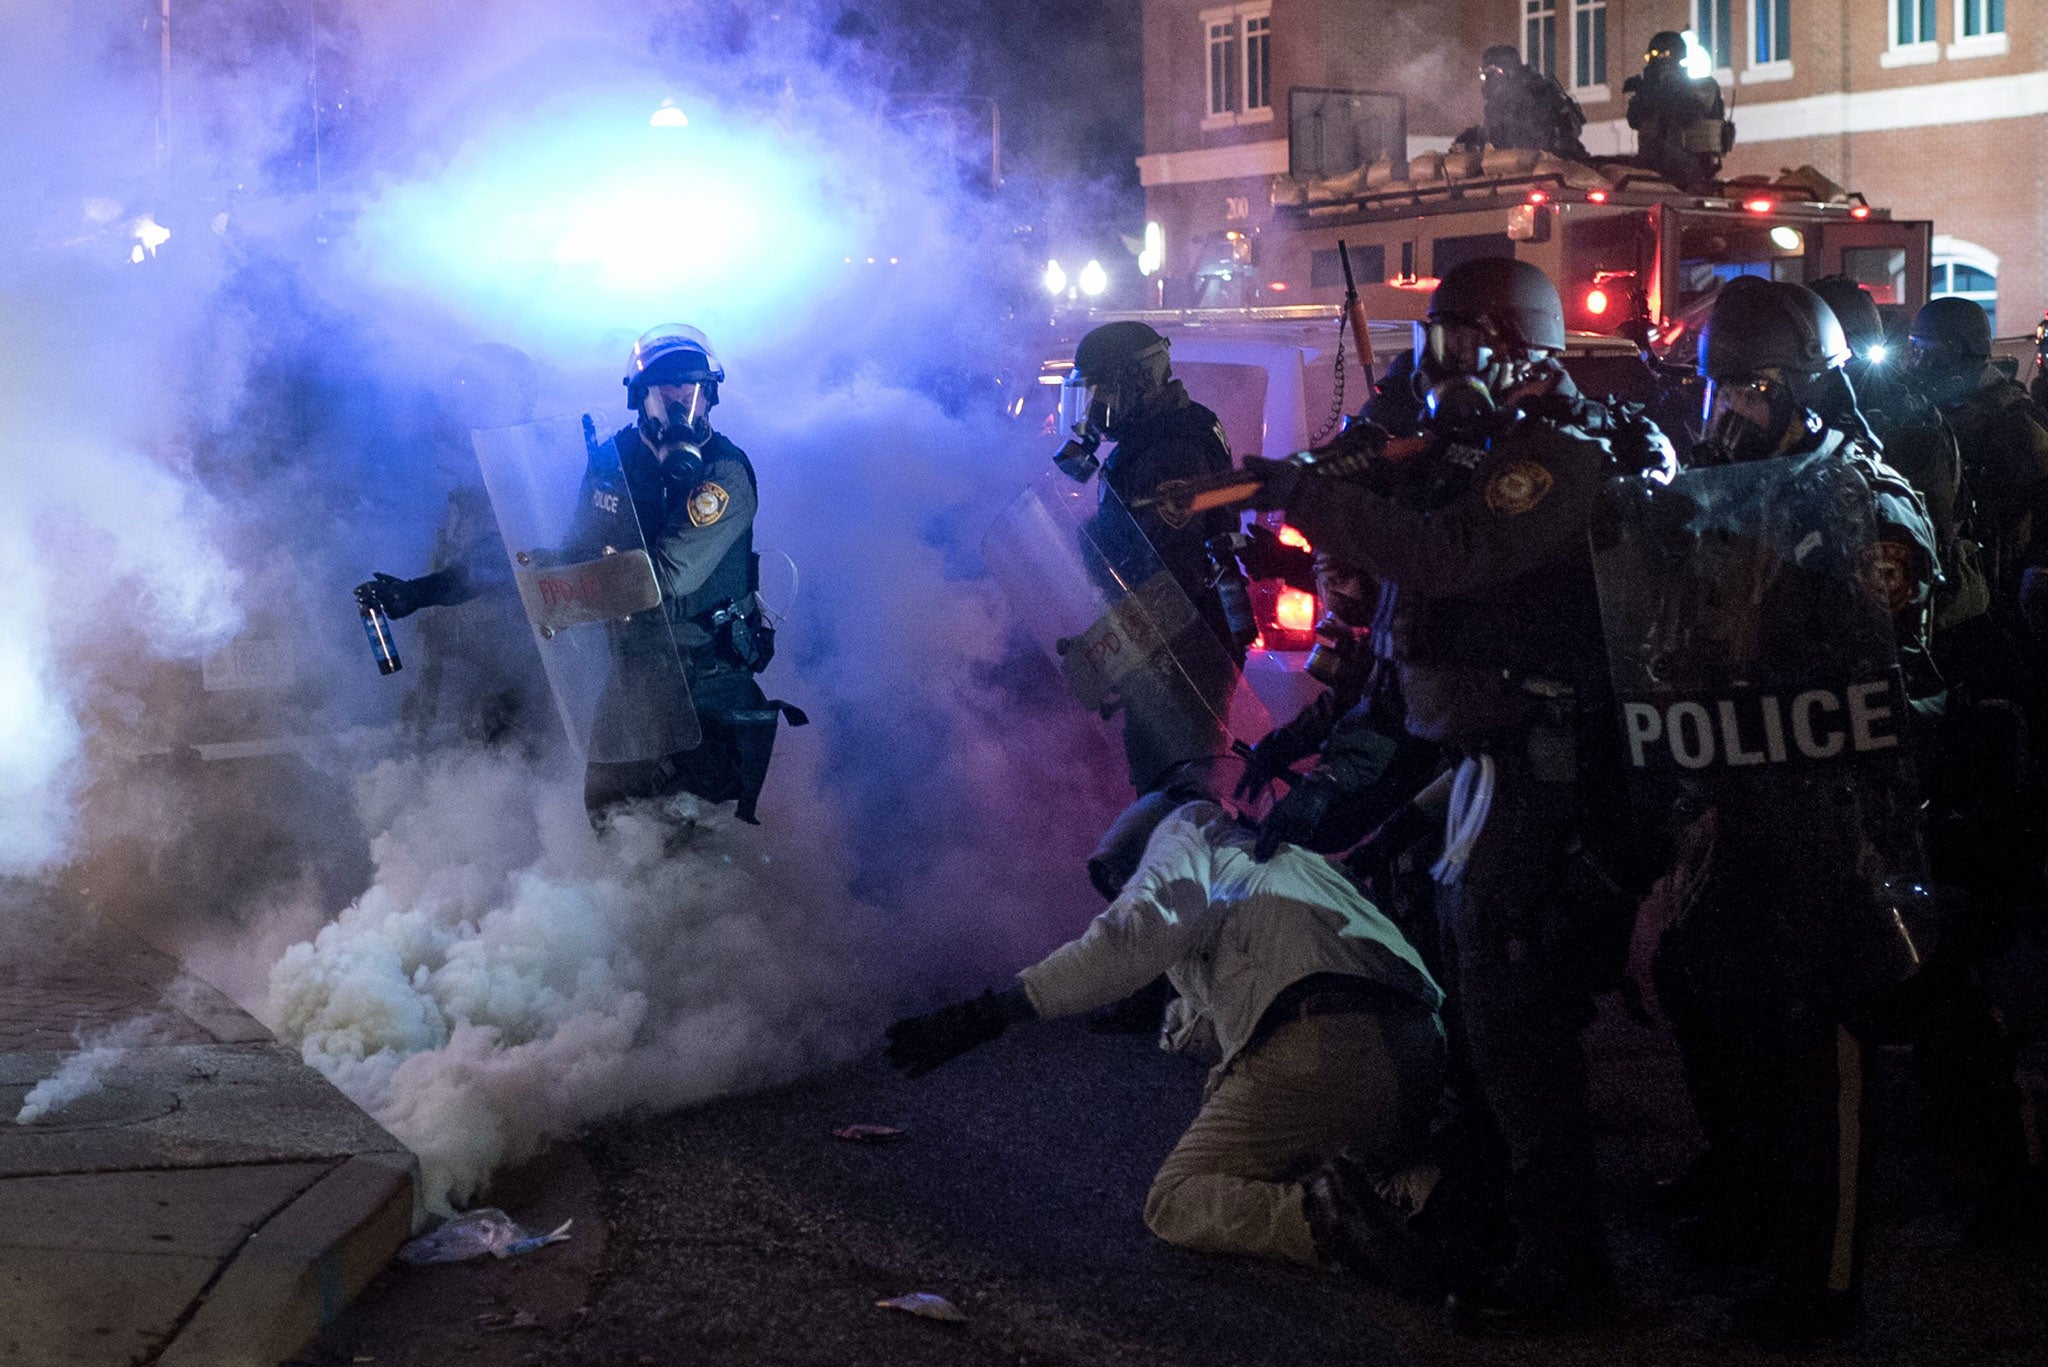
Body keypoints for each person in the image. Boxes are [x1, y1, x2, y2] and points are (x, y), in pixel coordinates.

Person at [1236, 259, 1664, 1326]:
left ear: (1508, 346)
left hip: (1542, 765)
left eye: (1452, 346)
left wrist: (1310, 495)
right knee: (1482, 1011)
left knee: (1516, 1019)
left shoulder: (1550, 461)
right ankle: (1487, 1217)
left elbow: (1444, 555)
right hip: (1484, 760)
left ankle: (1566, 1272)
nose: (1437, 369)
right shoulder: (1483, 455)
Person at [1633, 280, 1939, 1342]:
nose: (1718, 407)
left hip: (1831, 816)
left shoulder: (1860, 499)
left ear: (1789, 390)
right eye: (1714, 384)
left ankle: (1824, 1279)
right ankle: (1752, 1204)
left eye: (1741, 388)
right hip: (1739, 797)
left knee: (1819, 1043)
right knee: (1710, 993)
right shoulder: (1731, 487)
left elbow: (1884, 676)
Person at [884, 794, 1444, 1270]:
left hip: (1325, 1040)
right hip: (1418, 1049)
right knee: (1326, 1148)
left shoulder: (1184, 831)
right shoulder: (1285, 866)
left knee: (1176, 1199)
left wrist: (990, 1012)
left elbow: (1128, 938)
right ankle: (1427, 1194)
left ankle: (1337, 1226)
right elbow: (1220, 1010)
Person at [571, 324, 803, 824]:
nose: (680, 404)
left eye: (692, 391)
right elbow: (570, 552)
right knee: (608, 816)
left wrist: (561, 595)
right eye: (665, 391)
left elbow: (661, 579)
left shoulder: (723, 474)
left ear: (710, 398)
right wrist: (434, 590)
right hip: (634, 674)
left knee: (688, 835)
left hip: (705, 682)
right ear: (640, 398)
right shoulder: (614, 461)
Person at [1061, 320, 1244, 793]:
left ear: (1134, 383)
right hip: (1179, 644)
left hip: (1185, 651)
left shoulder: (1171, 452)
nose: (1095, 409)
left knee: (1175, 794)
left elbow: (1166, 581)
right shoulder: (1161, 436)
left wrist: (1105, 648)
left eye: (1102, 392)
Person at [1622, 30, 1730, 191]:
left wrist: (1669, 87)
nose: (1654, 63)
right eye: (1650, 57)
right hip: (1654, 169)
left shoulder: (1701, 88)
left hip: (1691, 171)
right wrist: (1644, 93)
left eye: (1661, 55)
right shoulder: (1650, 89)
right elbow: (1634, 120)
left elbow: (1688, 116)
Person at [1452, 45, 1589, 161]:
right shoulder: (1499, 101)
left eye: (1493, 72)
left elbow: (1521, 136)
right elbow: (1496, 135)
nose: (1489, 80)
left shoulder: (1537, 92)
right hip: (1523, 166)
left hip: (1556, 161)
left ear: (1509, 70)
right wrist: (1472, 137)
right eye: (1485, 75)